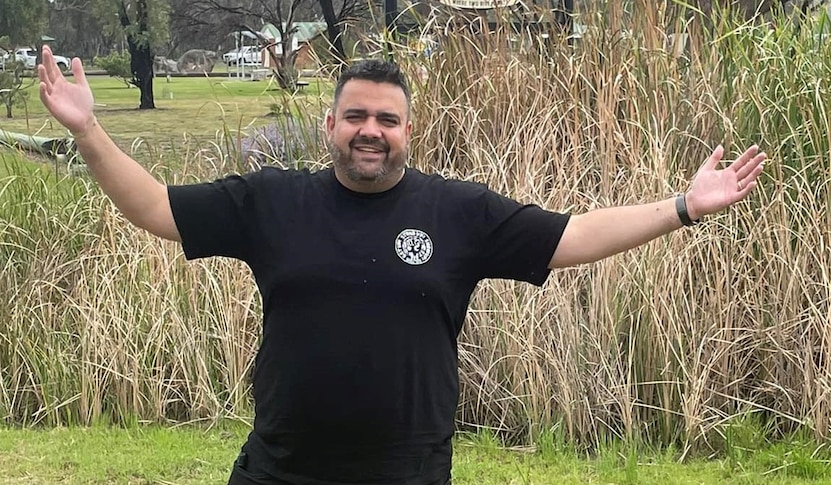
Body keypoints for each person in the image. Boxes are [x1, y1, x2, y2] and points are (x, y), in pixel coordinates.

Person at [36, 45, 766, 485]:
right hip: (282, 469)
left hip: (408, 473)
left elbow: (572, 234)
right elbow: (157, 208)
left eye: (387, 119)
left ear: (408, 130)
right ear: (329, 124)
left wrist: (683, 206)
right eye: (355, 115)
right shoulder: (270, 201)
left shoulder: (459, 212)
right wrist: (89, 129)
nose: (370, 131)